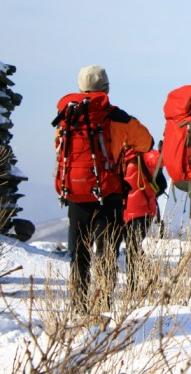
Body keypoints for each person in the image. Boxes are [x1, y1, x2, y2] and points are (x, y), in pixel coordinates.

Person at [54, 65, 153, 314]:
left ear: (80, 89)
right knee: (107, 253)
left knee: (79, 254)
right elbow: (146, 142)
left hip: (75, 195)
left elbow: (59, 145)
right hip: (108, 195)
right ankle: (104, 306)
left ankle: (78, 306)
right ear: (106, 89)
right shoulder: (116, 117)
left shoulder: (67, 116)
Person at [121, 146, 167, 297]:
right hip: (123, 211)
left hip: (142, 211)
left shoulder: (144, 154)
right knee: (132, 247)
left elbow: (159, 160)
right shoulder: (114, 153)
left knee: (132, 247)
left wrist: (165, 148)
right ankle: (149, 277)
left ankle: (132, 286)